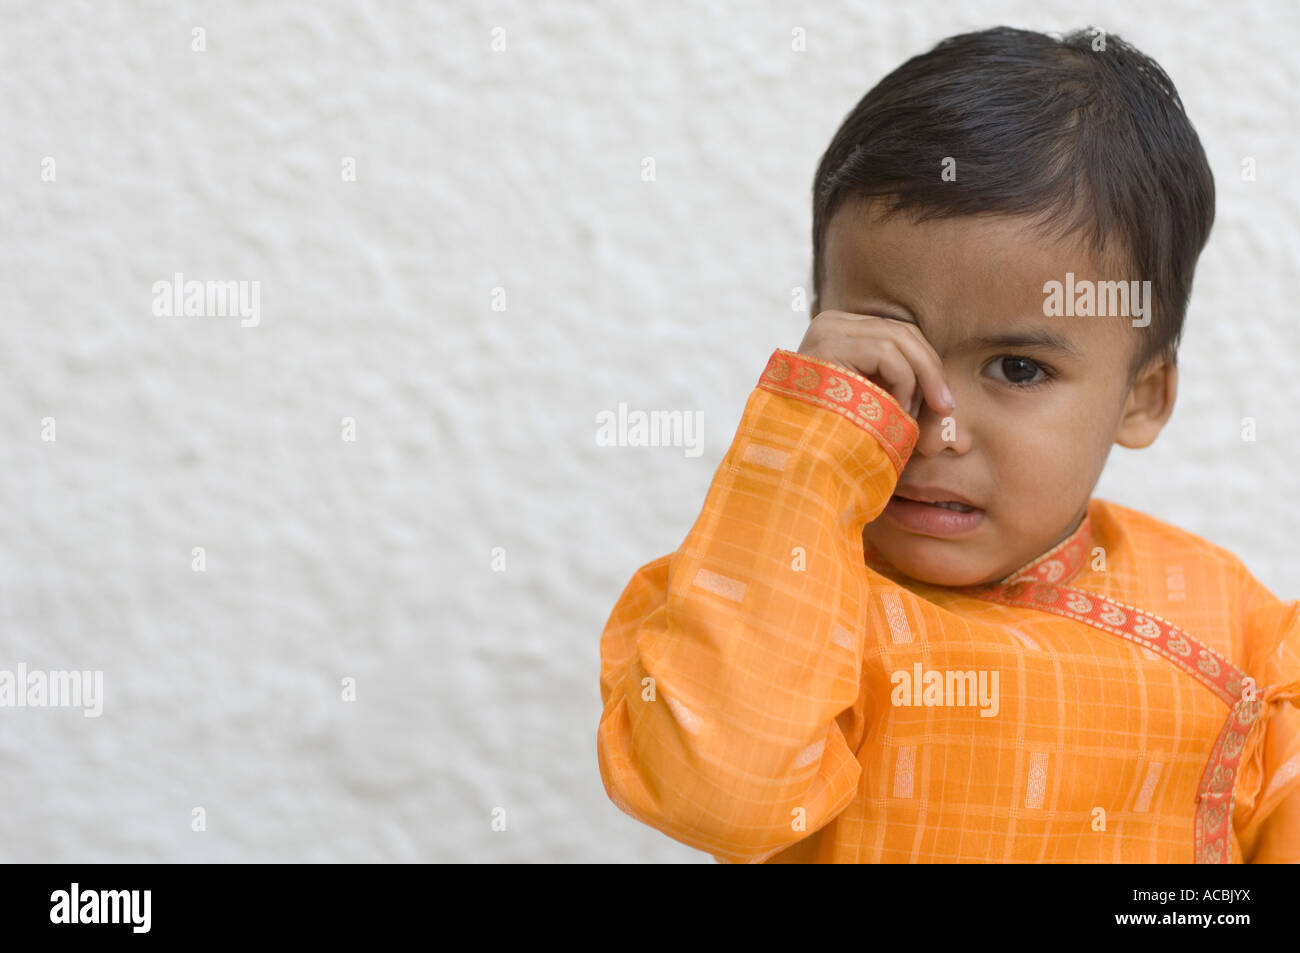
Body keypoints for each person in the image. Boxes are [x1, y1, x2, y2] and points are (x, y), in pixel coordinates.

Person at [595, 26, 1300, 863]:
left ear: (1142, 396)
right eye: (887, 356)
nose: (939, 428)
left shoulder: (1243, 636)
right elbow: (714, 792)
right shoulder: (785, 591)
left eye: (1017, 368)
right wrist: (805, 451)